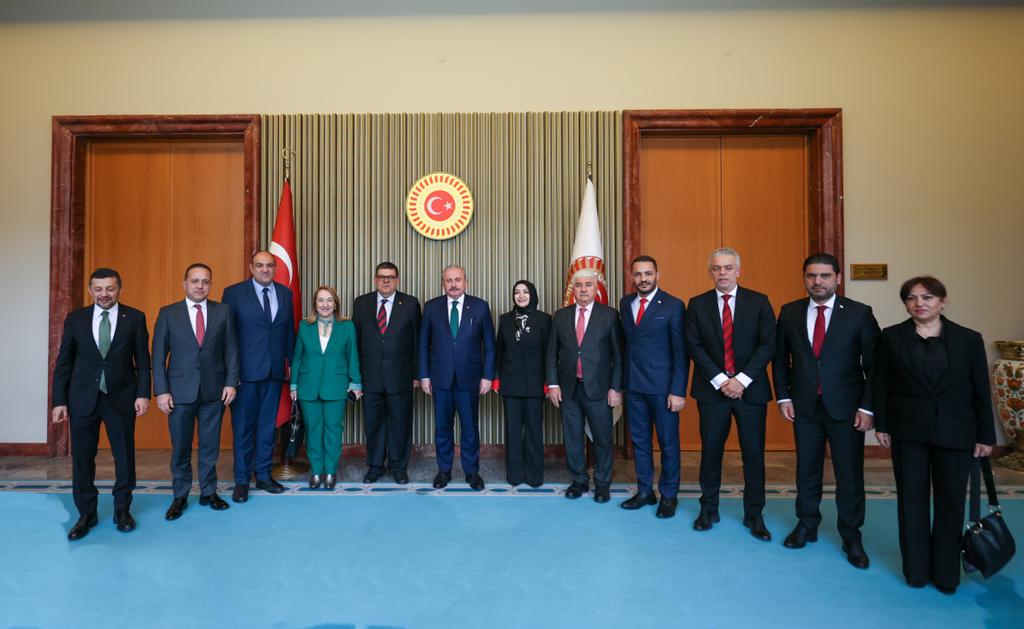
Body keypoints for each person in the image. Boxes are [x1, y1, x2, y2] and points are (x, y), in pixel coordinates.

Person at [873, 276, 995, 594]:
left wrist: (985, 435)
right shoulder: (891, 337)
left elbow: (981, 390)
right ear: (905, 303)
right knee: (911, 501)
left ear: (943, 301)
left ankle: (945, 574)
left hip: (956, 431)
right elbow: (880, 383)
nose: (920, 303)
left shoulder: (968, 339)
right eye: (912, 298)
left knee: (950, 503)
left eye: (927, 297)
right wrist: (882, 425)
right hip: (907, 430)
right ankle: (915, 571)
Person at [773, 253, 879, 567]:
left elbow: (875, 365)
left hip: (847, 409)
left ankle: (851, 535)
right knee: (806, 471)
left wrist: (868, 407)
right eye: (811, 276)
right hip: (804, 406)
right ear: (804, 279)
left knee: (849, 474)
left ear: (837, 278)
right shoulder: (790, 312)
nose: (817, 282)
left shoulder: (859, 313)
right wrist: (783, 397)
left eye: (824, 276)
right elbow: (780, 359)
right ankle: (807, 524)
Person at [51, 268, 151, 540]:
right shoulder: (76, 319)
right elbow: (64, 363)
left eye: (110, 288)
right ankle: (86, 514)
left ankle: (122, 511)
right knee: (83, 459)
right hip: (82, 398)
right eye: (98, 289)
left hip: (122, 398)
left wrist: (143, 394)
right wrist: (59, 400)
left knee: (124, 457)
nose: (104, 294)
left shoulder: (135, 318)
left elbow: (143, 362)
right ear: (90, 290)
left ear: (119, 289)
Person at [686, 247, 776, 540]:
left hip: (751, 392)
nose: (722, 273)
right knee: (711, 453)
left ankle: (755, 514)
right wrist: (722, 380)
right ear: (710, 272)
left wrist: (741, 380)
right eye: (716, 268)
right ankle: (708, 509)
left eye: (727, 268)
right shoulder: (697, 304)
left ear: (738, 270)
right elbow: (694, 345)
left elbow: (768, 344)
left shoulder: (759, 302)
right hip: (712, 392)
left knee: (753, 455)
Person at [153, 263, 239, 520]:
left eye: (205, 281)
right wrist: (162, 391)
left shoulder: (223, 311)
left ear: (210, 284)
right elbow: (158, 355)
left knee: (210, 446)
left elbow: (231, 350)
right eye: (195, 281)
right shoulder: (168, 313)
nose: (200, 286)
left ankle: (208, 492)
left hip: (214, 391)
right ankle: (180, 496)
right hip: (179, 393)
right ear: (185, 284)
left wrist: (231, 382)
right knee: (181, 446)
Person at [221, 251, 295, 503]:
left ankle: (263, 475)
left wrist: (291, 363)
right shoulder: (234, 293)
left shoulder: (285, 293)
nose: (265, 269)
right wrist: (230, 374)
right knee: (243, 429)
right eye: (260, 265)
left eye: (269, 265)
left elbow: (288, 332)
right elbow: (227, 336)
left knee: (266, 428)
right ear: (251, 268)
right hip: (244, 374)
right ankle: (241, 481)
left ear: (275, 268)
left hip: (274, 373)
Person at [619, 255, 688, 518]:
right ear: (632, 276)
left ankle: (669, 496)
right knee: (640, 443)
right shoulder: (626, 303)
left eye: (648, 273)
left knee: (668, 444)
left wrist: (678, 390)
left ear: (657, 275)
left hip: (663, 389)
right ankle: (645, 491)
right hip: (634, 387)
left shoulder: (673, 305)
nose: (643, 278)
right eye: (638, 274)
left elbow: (680, 353)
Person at [546, 270, 623, 503]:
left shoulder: (609, 315)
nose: (583, 289)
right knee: (572, 438)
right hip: (568, 389)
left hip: (599, 389)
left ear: (596, 288)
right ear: (573, 289)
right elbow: (551, 354)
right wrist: (553, 384)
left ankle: (602, 484)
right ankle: (578, 480)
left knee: (602, 439)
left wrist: (616, 387)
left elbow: (619, 356)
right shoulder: (560, 316)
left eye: (588, 284)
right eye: (579, 285)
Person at [419, 265, 496, 490]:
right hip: (440, 378)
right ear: (443, 283)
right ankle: (444, 471)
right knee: (442, 427)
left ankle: (472, 472)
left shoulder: (480, 306)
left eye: (457, 280)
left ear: (465, 282)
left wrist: (487, 376)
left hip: (470, 378)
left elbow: (489, 345)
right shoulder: (431, 307)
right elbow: (423, 344)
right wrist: (424, 375)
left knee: (470, 428)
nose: (453, 284)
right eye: (448, 280)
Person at [352, 262, 421, 484]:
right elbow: (355, 342)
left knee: (400, 424)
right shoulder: (361, 303)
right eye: (382, 276)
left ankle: (399, 467)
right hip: (370, 376)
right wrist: (355, 377)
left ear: (397, 280)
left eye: (390, 277)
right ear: (375, 279)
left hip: (401, 377)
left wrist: (417, 374)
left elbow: (417, 341)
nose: (386, 280)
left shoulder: (410, 304)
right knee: (373, 424)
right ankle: (375, 466)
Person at [290, 286, 362, 489]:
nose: (325, 304)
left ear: (335, 304)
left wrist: (355, 383)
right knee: (313, 430)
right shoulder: (305, 326)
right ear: (315, 304)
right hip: (308, 387)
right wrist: (293, 384)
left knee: (333, 430)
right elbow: (298, 357)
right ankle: (316, 471)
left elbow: (353, 356)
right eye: (321, 300)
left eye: (329, 300)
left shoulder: (347, 326)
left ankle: (330, 471)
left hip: (336, 386)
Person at [494, 280, 551, 487]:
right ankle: (515, 475)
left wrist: (549, 382)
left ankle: (534, 476)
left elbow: (549, 353)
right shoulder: (505, 319)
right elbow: (499, 350)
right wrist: (496, 378)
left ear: (532, 294)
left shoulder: (545, 319)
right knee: (513, 431)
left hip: (536, 385)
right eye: (517, 292)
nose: (521, 296)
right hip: (510, 383)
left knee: (534, 431)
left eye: (525, 291)